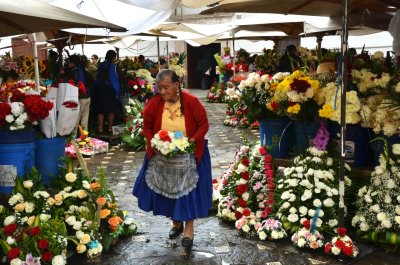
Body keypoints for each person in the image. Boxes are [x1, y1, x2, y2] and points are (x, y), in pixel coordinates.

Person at [132, 69, 212, 248]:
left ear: (177, 85)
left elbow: (203, 124)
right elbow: (146, 126)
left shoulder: (191, 102)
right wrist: (155, 142)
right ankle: (176, 222)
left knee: (189, 192)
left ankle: (189, 230)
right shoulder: (155, 104)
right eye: (159, 88)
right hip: (163, 155)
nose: (162, 92)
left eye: (166, 87)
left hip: (189, 155)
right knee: (169, 190)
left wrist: (191, 141)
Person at [93, 50, 121, 134]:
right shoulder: (113, 66)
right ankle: (109, 128)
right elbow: (115, 79)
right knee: (111, 109)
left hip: (100, 89)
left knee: (100, 109)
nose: (115, 59)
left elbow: (97, 77)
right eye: (115, 57)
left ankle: (100, 128)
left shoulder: (101, 65)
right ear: (112, 57)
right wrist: (118, 90)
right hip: (110, 90)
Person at [67, 55, 91, 135]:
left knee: (75, 120)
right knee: (84, 120)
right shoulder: (83, 69)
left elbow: (73, 85)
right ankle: (84, 139)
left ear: (73, 62)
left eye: (69, 62)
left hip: (80, 97)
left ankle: (73, 139)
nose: (68, 64)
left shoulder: (75, 71)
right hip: (87, 96)